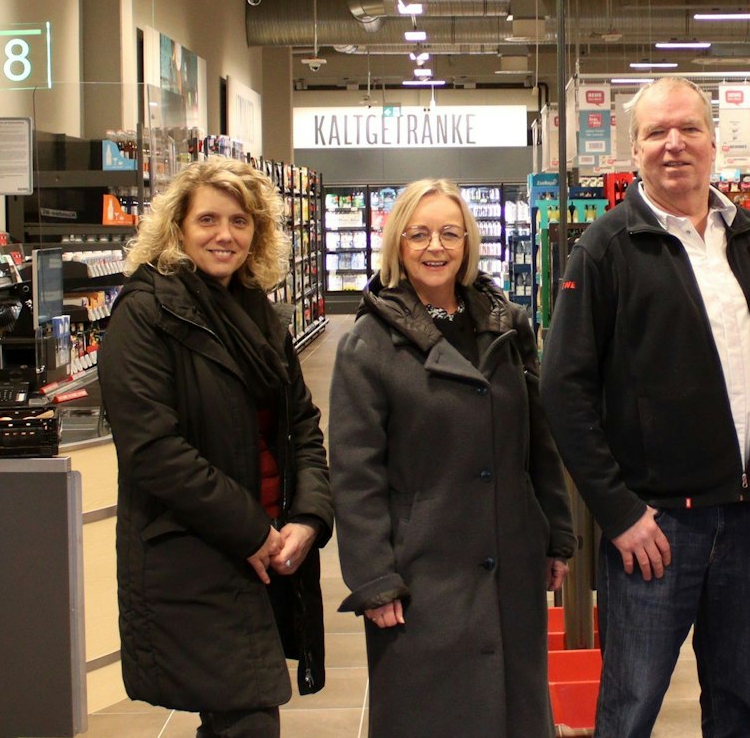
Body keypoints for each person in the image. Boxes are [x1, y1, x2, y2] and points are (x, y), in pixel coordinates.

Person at [542, 75, 750, 738]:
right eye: (656, 131)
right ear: (634, 150)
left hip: (744, 520)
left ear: (714, 142)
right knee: (631, 708)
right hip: (655, 530)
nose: (674, 143)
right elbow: (563, 391)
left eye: (688, 128)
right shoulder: (606, 248)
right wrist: (619, 513)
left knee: (738, 703)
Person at [329, 178, 576, 737]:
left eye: (449, 233)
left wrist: (556, 535)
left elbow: (538, 441)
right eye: (418, 234)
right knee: (433, 715)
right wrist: (373, 578)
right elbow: (354, 471)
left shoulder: (507, 325)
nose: (434, 247)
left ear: (468, 242)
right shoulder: (368, 343)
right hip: (423, 572)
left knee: (516, 712)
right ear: (397, 243)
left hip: (510, 559)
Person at [99, 159, 334, 738]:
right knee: (247, 717)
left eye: (239, 221)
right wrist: (250, 530)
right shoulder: (145, 313)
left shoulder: (259, 314)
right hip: (195, 552)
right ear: (177, 227)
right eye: (208, 219)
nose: (224, 235)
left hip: (268, 549)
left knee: (241, 715)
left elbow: (300, 424)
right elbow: (153, 450)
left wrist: (309, 517)